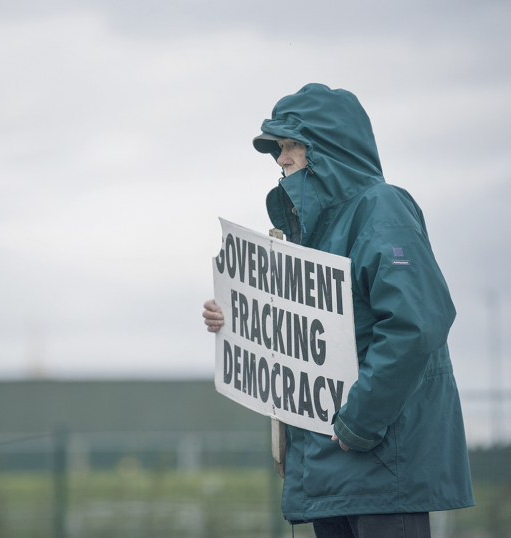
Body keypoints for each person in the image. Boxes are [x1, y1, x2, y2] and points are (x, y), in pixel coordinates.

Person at [203, 84, 474, 538]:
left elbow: (417, 322)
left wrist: (358, 422)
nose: (281, 159)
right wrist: (235, 319)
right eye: (278, 149)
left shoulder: (379, 208)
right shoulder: (313, 236)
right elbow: (307, 331)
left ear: (327, 148)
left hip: (381, 466)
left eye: (291, 145)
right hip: (334, 469)